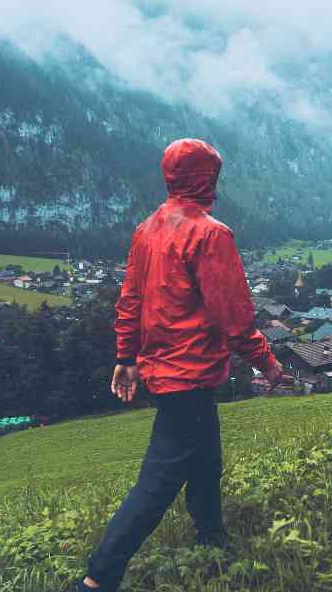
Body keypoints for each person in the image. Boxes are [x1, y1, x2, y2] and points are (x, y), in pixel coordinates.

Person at [78, 139, 283, 591]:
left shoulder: (146, 229)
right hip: (187, 375)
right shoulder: (211, 235)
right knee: (156, 484)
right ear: (206, 179)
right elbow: (234, 320)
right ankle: (98, 578)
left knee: (207, 464)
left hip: (164, 371)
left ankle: (213, 543)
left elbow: (129, 301)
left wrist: (125, 358)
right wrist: (267, 364)